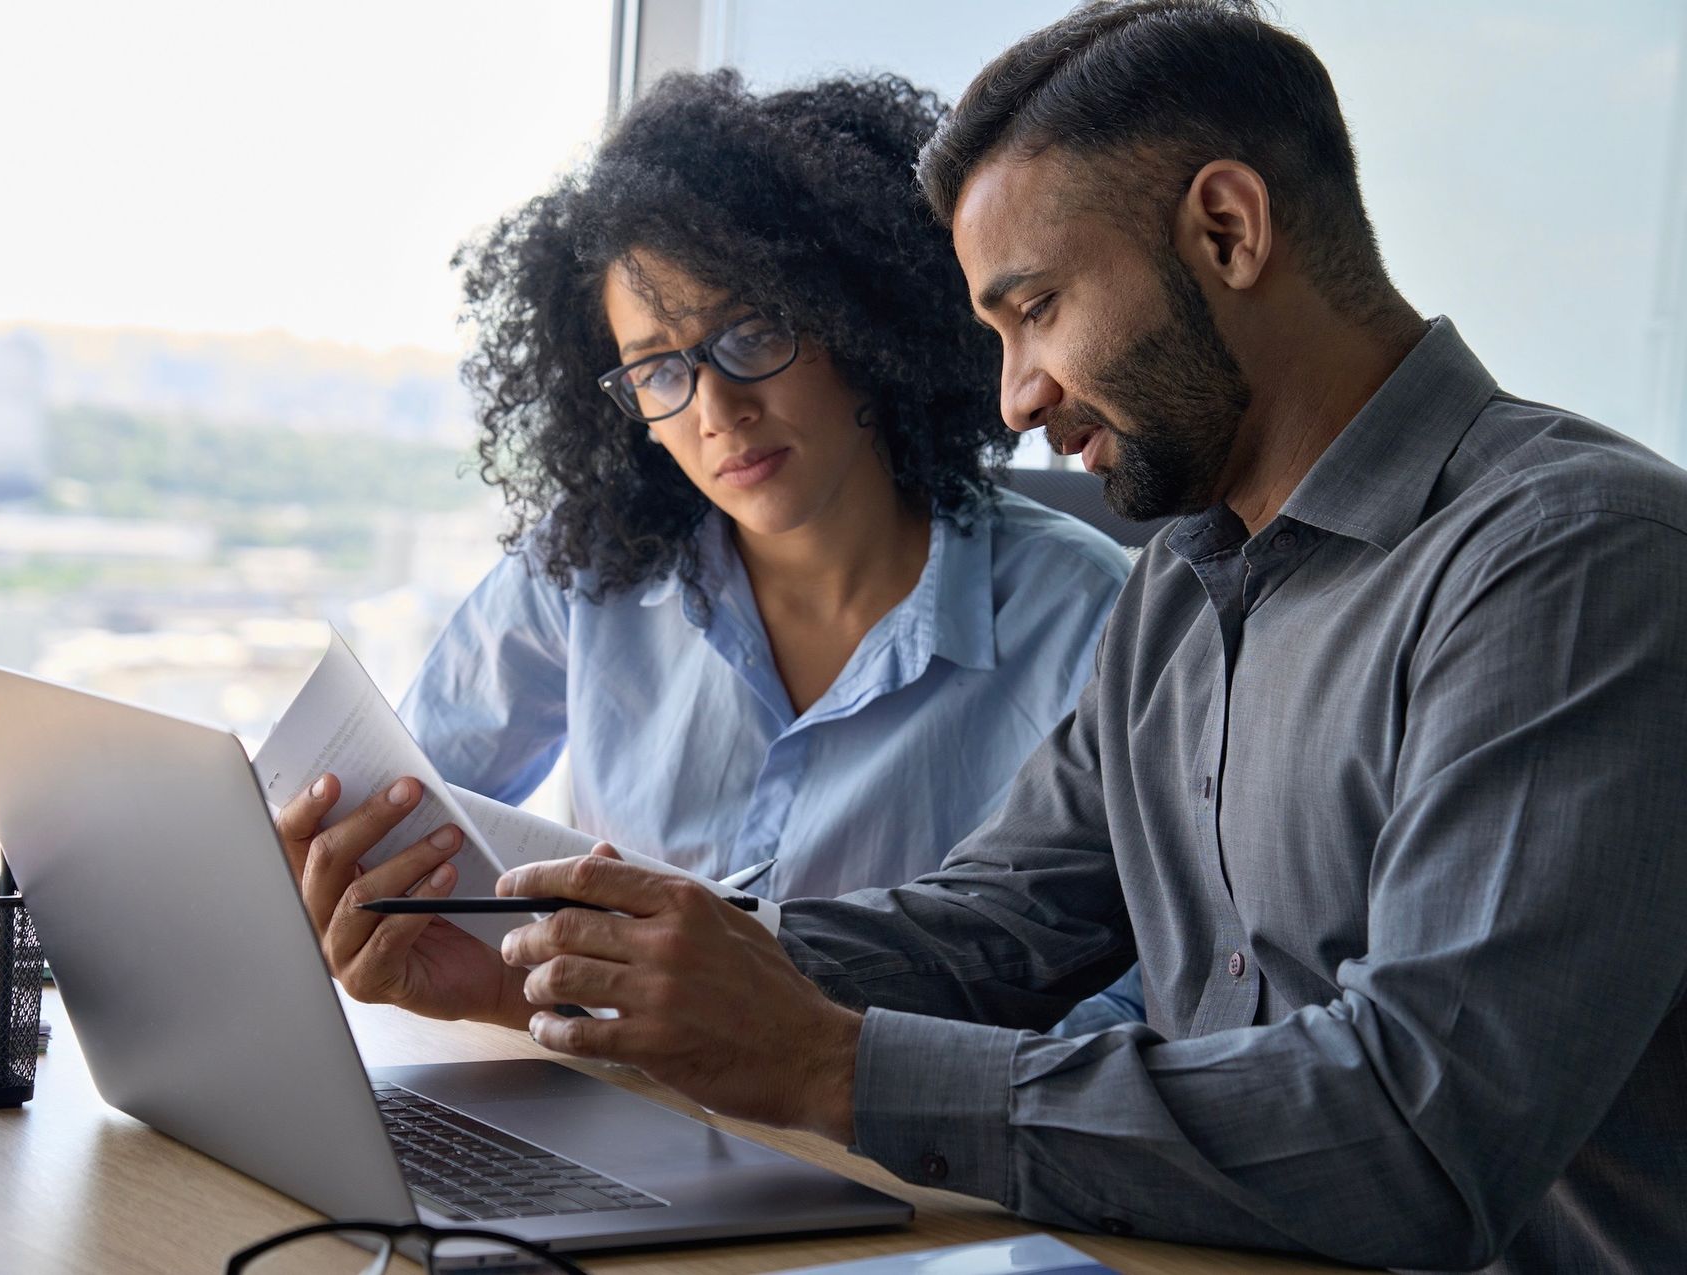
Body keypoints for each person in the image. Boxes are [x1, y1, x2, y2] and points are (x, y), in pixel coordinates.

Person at [286, 2, 1687, 1268]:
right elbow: (990, 926)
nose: (1013, 396)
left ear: (1229, 230)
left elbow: (1416, 1131)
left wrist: (838, 1069)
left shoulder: (1574, 560)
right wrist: (567, 976)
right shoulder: (1186, 589)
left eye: (1037, 309)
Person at [291, 71, 1139, 1024]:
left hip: (896, 1151)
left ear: (862, 325)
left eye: (753, 333)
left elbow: (1132, 1011)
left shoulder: (1091, 620)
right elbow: (411, 813)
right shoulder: (584, 573)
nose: (718, 408)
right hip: (602, 1095)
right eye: (658, 368)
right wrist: (344, 889)